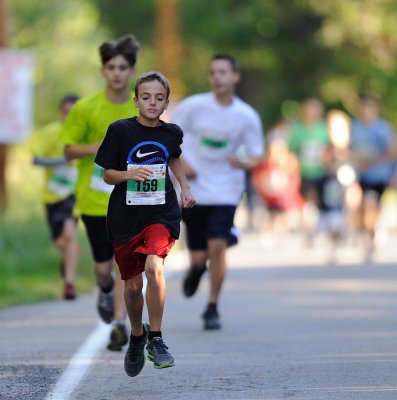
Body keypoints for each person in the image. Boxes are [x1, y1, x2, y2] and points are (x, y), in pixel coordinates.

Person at [95, 71, 195, 376]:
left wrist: (185, 188)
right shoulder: (120, 131)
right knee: (133, 285)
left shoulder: (172, 132)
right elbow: (107, 174)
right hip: (126, 218)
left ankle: (157, 338)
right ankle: (137, 336)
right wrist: (129, 175)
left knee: (154, 267)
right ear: (136, 100)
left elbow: (173, 157)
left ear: (166, 103)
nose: (153, 102)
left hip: (160, 213)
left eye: (159, 98)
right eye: (146, 97)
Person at [171, 54, 264, 330]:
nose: (217, 78)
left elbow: (258, 154)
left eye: (223, 72)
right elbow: (169, 136)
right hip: (194, 189)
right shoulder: (193, 107)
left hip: (226, 189)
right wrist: (184, 164)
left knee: (219, 245)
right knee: (200, 255)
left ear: (235, 76)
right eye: (213, 72)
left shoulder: (246, 116)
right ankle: (196, 270)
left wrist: (244, 162)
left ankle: (212, 307)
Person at [60, 34, 140, 351]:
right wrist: (101, 147)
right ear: (102, 71)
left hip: (130, 197)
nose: (117, 73)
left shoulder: (141, 108)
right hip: (94, 200)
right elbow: (67, 151)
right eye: (111, 67)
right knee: (104, 268)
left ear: (132, 71)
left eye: (123, 67)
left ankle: (119, 323)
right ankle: (104, 289)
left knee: (125, 264)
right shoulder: (86, 108)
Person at [31, 94, 80, 300]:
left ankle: (69, 284)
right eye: (66, 112)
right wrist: (62, 160)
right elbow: (36, 160)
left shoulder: (85, 134)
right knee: (61, 241)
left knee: (70, 234)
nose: (69, 116)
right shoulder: (50, 133)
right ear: (60, 112)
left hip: (75, 194)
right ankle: (67, 258)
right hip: (52, 195)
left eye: (74, 112)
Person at [350, 95, 395, 260]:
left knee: (372, 205)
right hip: (360, 174)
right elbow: (350, 148)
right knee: (362, 205)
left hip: (379, 173)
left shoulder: (382, 129)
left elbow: (391, 150)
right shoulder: (355, 128)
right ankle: (366, 233)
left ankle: (372, 234)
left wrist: (374, 160)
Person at [287, 98, 330, 244]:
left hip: (321, 171)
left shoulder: (324, 128)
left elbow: (331, 148)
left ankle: (320, 229)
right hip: (304, 172)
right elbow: (291, 150)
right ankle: (308, 231)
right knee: (307, 202)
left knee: (321, 202)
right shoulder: (298, 130)